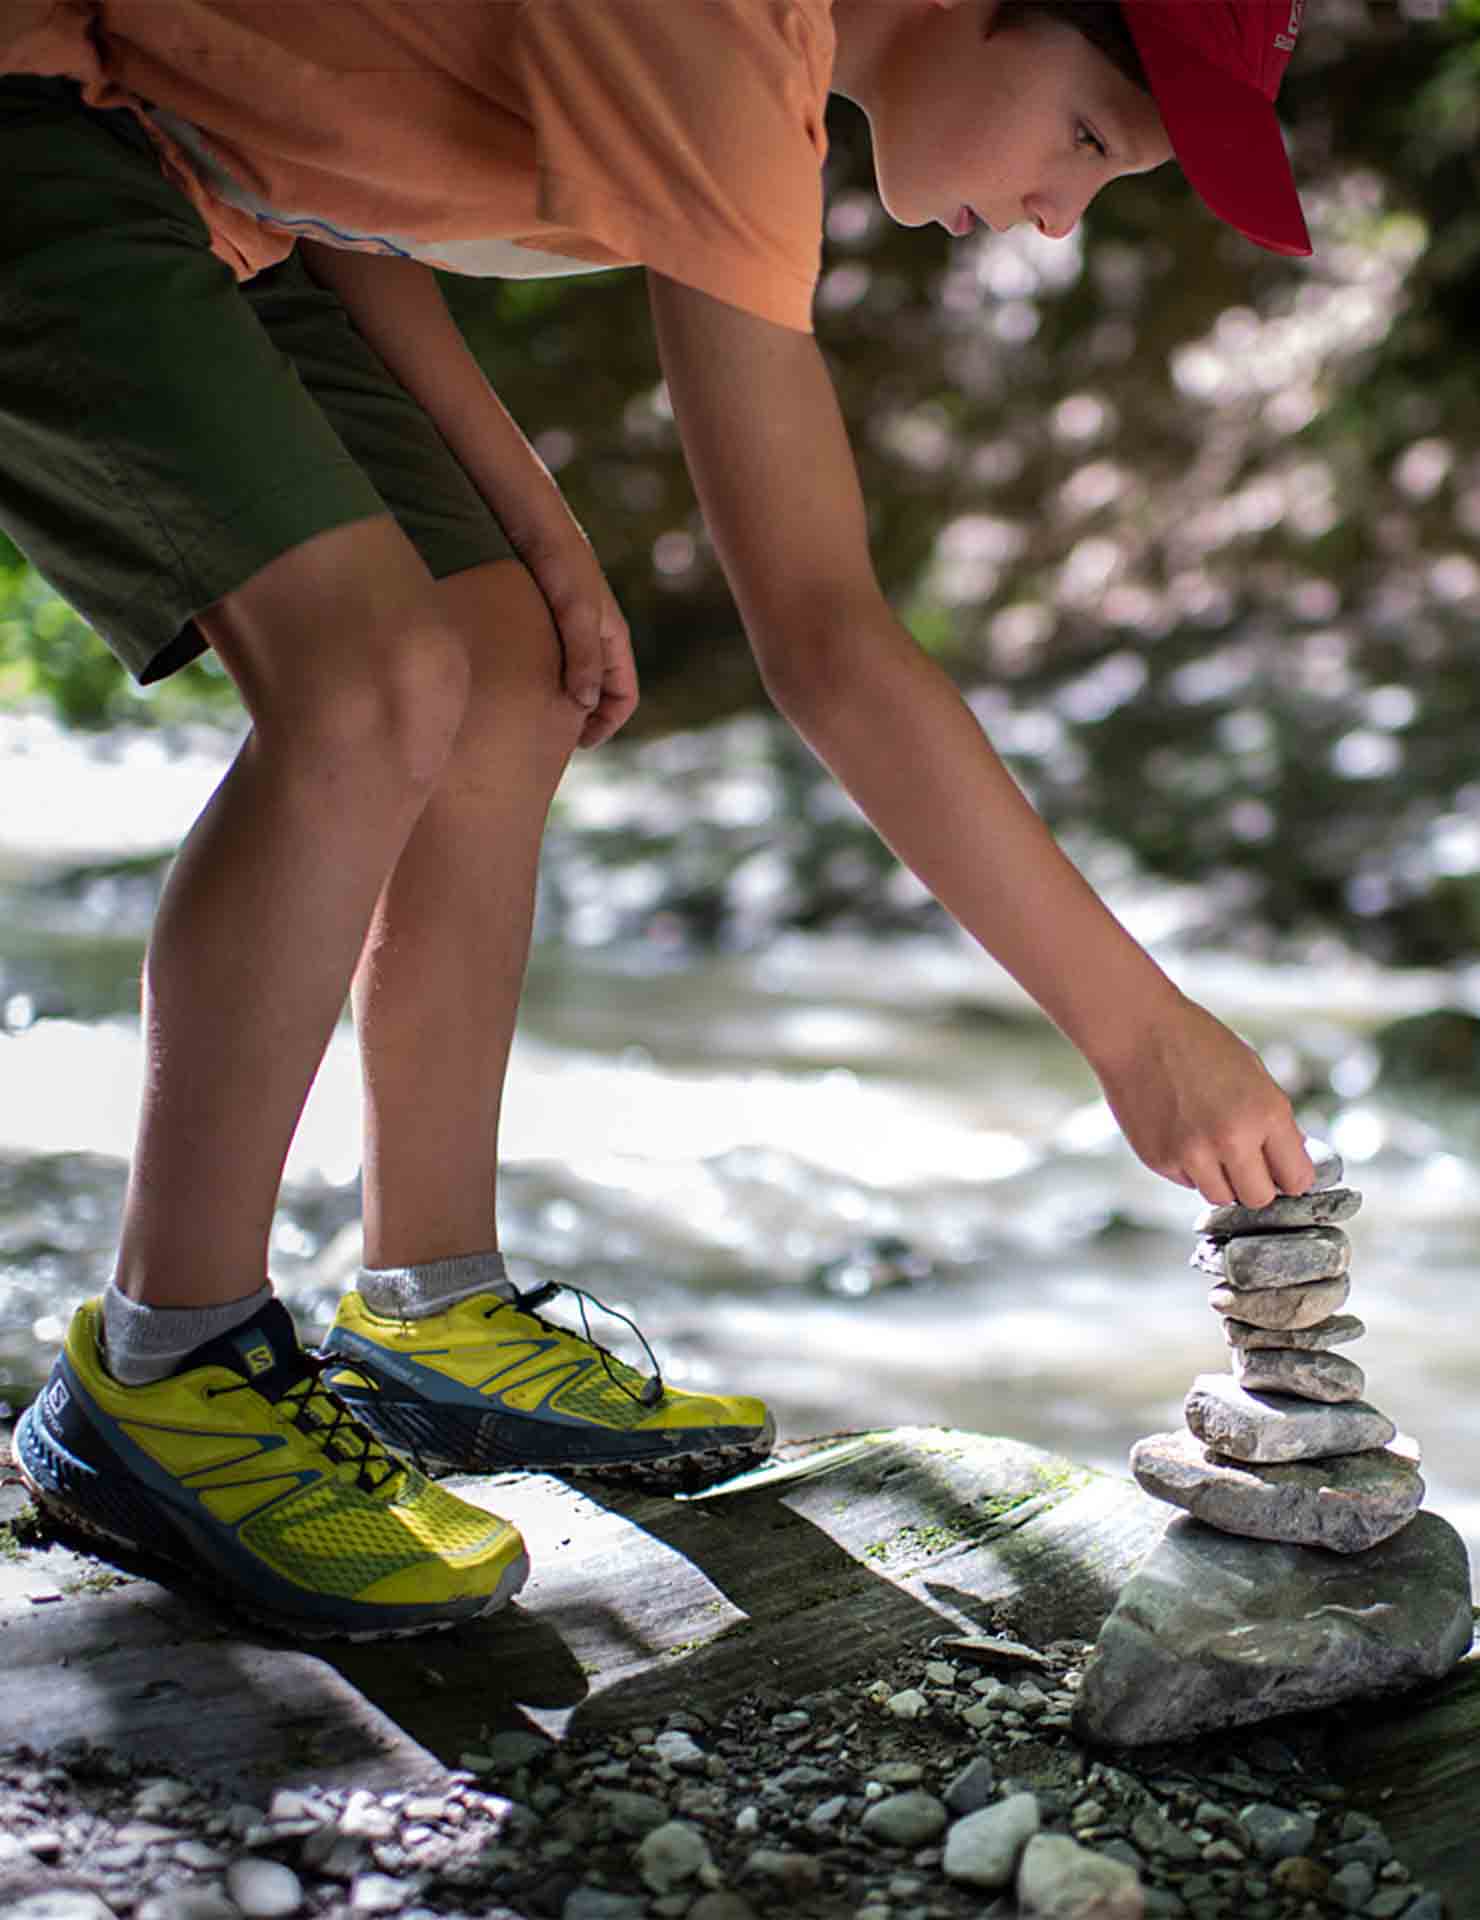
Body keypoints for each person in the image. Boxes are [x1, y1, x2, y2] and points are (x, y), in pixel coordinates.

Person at [2, 0, 1318, 1639]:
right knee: (370, 680)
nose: (1061, 215)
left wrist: (534, 523)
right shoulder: (727, 28)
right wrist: (1143, 1033)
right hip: (41, 120)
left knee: (510, 660)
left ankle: (427, 1304)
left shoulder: (754, 65)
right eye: (1093, 145)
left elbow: (330, 152)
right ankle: (165, 1364)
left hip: (229, 192)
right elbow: (825, 638)